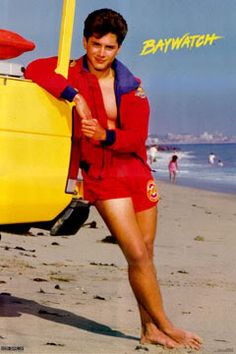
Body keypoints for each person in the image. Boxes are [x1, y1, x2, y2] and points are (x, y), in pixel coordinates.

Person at [24, 8, 202, 350]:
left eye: (109, 47)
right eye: (95, 45)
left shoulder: (131, 85)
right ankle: (167, 324)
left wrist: (105, 134)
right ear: (85, 41)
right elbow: (34, 69)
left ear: (118, 48)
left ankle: (148, 329)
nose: (101, 53)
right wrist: (74, 97)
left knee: (146, 252)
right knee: (136, 254)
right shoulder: (70, 71)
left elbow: (136, 137)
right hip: (103, 176)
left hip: (135, 172)